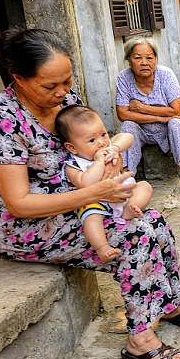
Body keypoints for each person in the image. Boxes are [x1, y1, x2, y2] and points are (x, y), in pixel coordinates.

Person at [0, 28, 180, 359]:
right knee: (136, 234)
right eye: (50, 86)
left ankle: (170, 303)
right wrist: (95, 191)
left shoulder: (67, 105)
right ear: (18, 78)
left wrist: (109, 156)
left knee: (154, 221)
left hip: (82, 203)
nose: (63, 92)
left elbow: (97, 144)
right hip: (24, 226)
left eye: (67, 81)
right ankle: (140, 340)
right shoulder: (0, 121)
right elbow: (19, 204)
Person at [54, 105, 154, 262]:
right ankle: (102, 247)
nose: (101, 143)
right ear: (71, 147)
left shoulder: (109, 148)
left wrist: (115, 148)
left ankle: (131, 208)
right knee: (91, 218)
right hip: (97, 202)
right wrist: (99, 162)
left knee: (145, 187)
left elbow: (128, 136)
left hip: (124, 194)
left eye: (103, 134)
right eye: (92, 140)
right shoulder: (73, 165)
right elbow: (85, 183)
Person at [115, 37, 180, 193]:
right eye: (138, 58)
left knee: (176, 123)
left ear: (156, 59)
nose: (144, 62)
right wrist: (160, 118)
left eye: (149, 58)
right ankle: (126, 177)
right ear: (129, 60)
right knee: (127, 126)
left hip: (169, 126)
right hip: (142, 128)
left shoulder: (166, 75)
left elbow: (177, 111)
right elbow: (123, 114)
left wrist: (142, 108)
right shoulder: (124, 77)